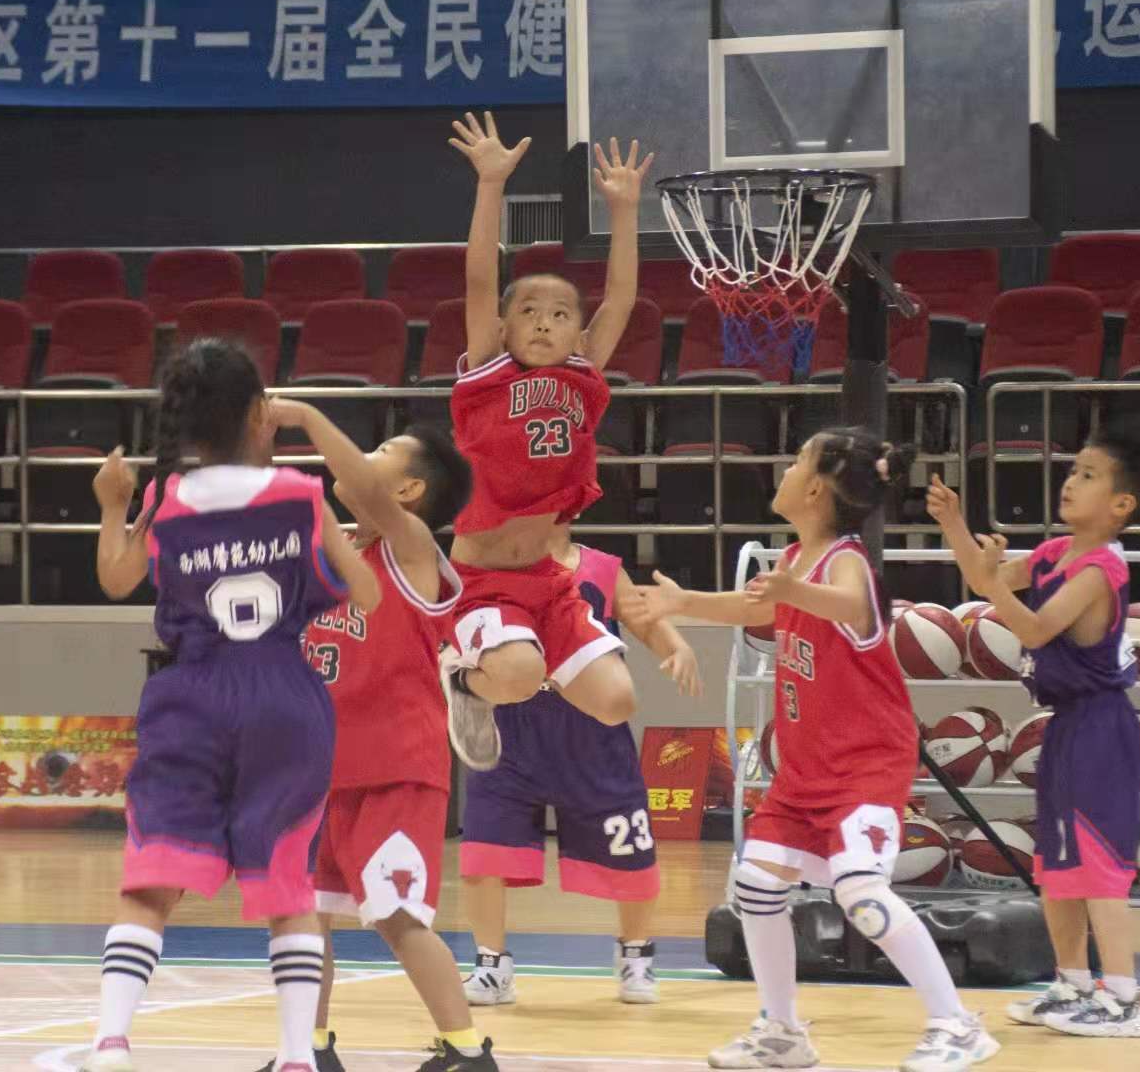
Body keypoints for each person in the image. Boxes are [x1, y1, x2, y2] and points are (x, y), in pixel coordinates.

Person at [631, 427, 1000, 1072]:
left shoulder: (844, 561)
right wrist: (684, 602)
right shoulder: (796, 559)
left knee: (861, 894)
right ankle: (782, 1032)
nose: (785, 467)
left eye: (798, 459)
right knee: (754, 886)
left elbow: (850, 603)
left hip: (864, 765)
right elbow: (752, 608)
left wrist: (790, 592)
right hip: (805, 771)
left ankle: (958, 1024)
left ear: (817, 487)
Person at [82, 339, 381, 1072]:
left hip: (190, 696)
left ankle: (112, 1039)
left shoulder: (163, 498)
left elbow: (117, 579)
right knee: (289, 887)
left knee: (151, 878)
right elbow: (368, 595)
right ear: (258, 415)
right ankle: (296, 1056)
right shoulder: (300, 495)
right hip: (284, 697)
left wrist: (113, 506)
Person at [270, 399, 498, 1072]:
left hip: (396, 768)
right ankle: (309, 1050)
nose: (360, 461)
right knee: (303, 915)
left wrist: (306, 416)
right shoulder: (343, 550)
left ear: (408, 490)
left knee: (398, 918)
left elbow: (354, 484)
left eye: (379, 454)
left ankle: (467, 1052)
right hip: (322, 770)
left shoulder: (412, 548)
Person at [927, 433, 1140, 1040]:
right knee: (1058, 867)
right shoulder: (1053, 552)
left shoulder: (1101, 567)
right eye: (1073, 470)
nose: (1070, 481)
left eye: (1088, 475)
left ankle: (1124, 999)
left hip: (1101, 727)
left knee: (1099, 867)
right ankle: (1072, 984)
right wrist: (954, 524)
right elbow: (980, 579)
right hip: (1064, 726)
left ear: (1122, 504)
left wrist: (995, 583)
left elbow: (1033, 629)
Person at [440, 110, 654, 771]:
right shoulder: (487, 371)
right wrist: (490, 184)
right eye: (528, 312)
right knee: (518, 676)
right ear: (504, 327)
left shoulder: (585, 374)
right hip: (483, 579)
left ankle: (524, 657)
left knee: (617, 701)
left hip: (549, 580)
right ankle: (464, 678)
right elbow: (480, 278)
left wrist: (624, 211)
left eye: (560, 314)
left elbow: (621, 298)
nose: (542, 323)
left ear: (577, 333)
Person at [459, 527, 702, 1007]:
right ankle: (491, 965)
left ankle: (636, 953)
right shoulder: (495, 564)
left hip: (592, 735)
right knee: (483, 852)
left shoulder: (603, 568)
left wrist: (676, 645)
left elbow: (644, 620)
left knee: (631, 851)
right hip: (511, 730)